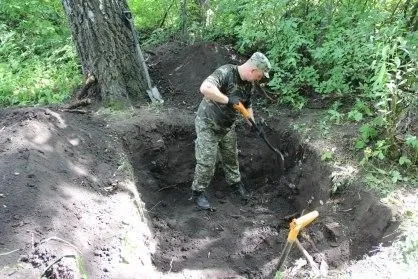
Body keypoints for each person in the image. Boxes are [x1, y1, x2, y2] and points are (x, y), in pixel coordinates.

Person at [191, 52, 271, 210]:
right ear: (253, 70)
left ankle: (235, 184)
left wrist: (253, 124)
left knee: (231, 157)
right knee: (207, 162)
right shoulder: (226, 72)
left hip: (227, 126)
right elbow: (205, 88)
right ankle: (198, 192)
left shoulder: (249, 85)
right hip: (208, 123)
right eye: (260, 76)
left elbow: (247, 106)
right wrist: (228, 100)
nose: (259, 79)